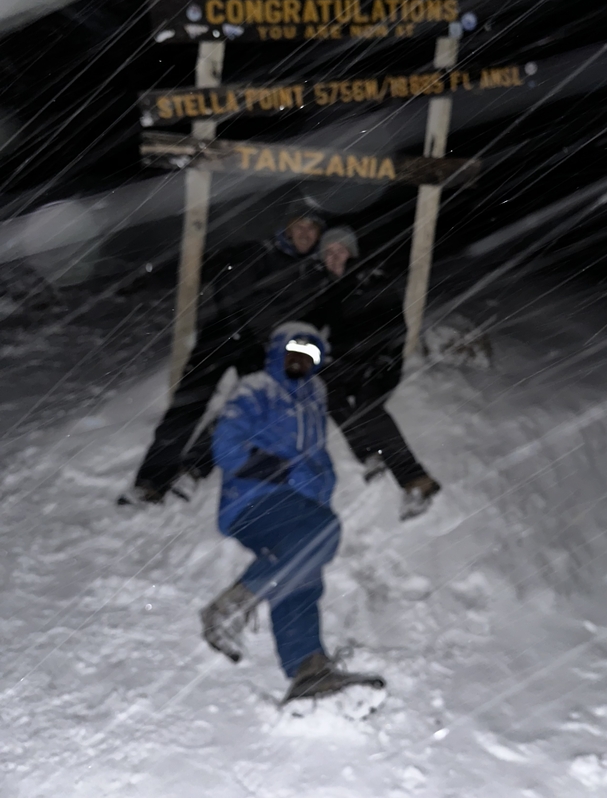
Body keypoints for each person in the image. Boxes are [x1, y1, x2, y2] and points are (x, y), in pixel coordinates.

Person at [202, 322, 384, 700]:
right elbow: (226, 446)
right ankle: (231, 607)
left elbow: (316, 458)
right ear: (277, 352)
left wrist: (321, 484)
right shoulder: (256, 389)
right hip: (252, 499)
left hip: (299, 506)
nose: (302, 359)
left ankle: (308, 669)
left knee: (301, 578)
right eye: (294, 350)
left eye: (311, 354)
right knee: (322, 532)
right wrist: (282, 470)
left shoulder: (314, 399)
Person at [118, 201, 325, 506]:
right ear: (288, 227)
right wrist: (264, 328)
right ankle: (150, 482)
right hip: (222, 336)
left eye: (313, 228)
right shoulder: (259, 252)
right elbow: (234, 294)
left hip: (257, 347)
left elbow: (304, 318)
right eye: (301, 225)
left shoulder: (311, 270)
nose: (306, 233)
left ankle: (194, 467)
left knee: (251, 407)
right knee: (186, 409)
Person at [308, 226, 441, 520]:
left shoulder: (370, 278)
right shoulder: (329, 289)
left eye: (339, 250)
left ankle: (416, 480)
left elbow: (391, 325)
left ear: (352, 253)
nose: (333, 256)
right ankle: (369, 455)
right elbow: (309, 325)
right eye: (328, 252)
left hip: (382, 358)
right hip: (350, 362)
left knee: (369, 403)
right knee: (328, 392)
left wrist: (371, 355)